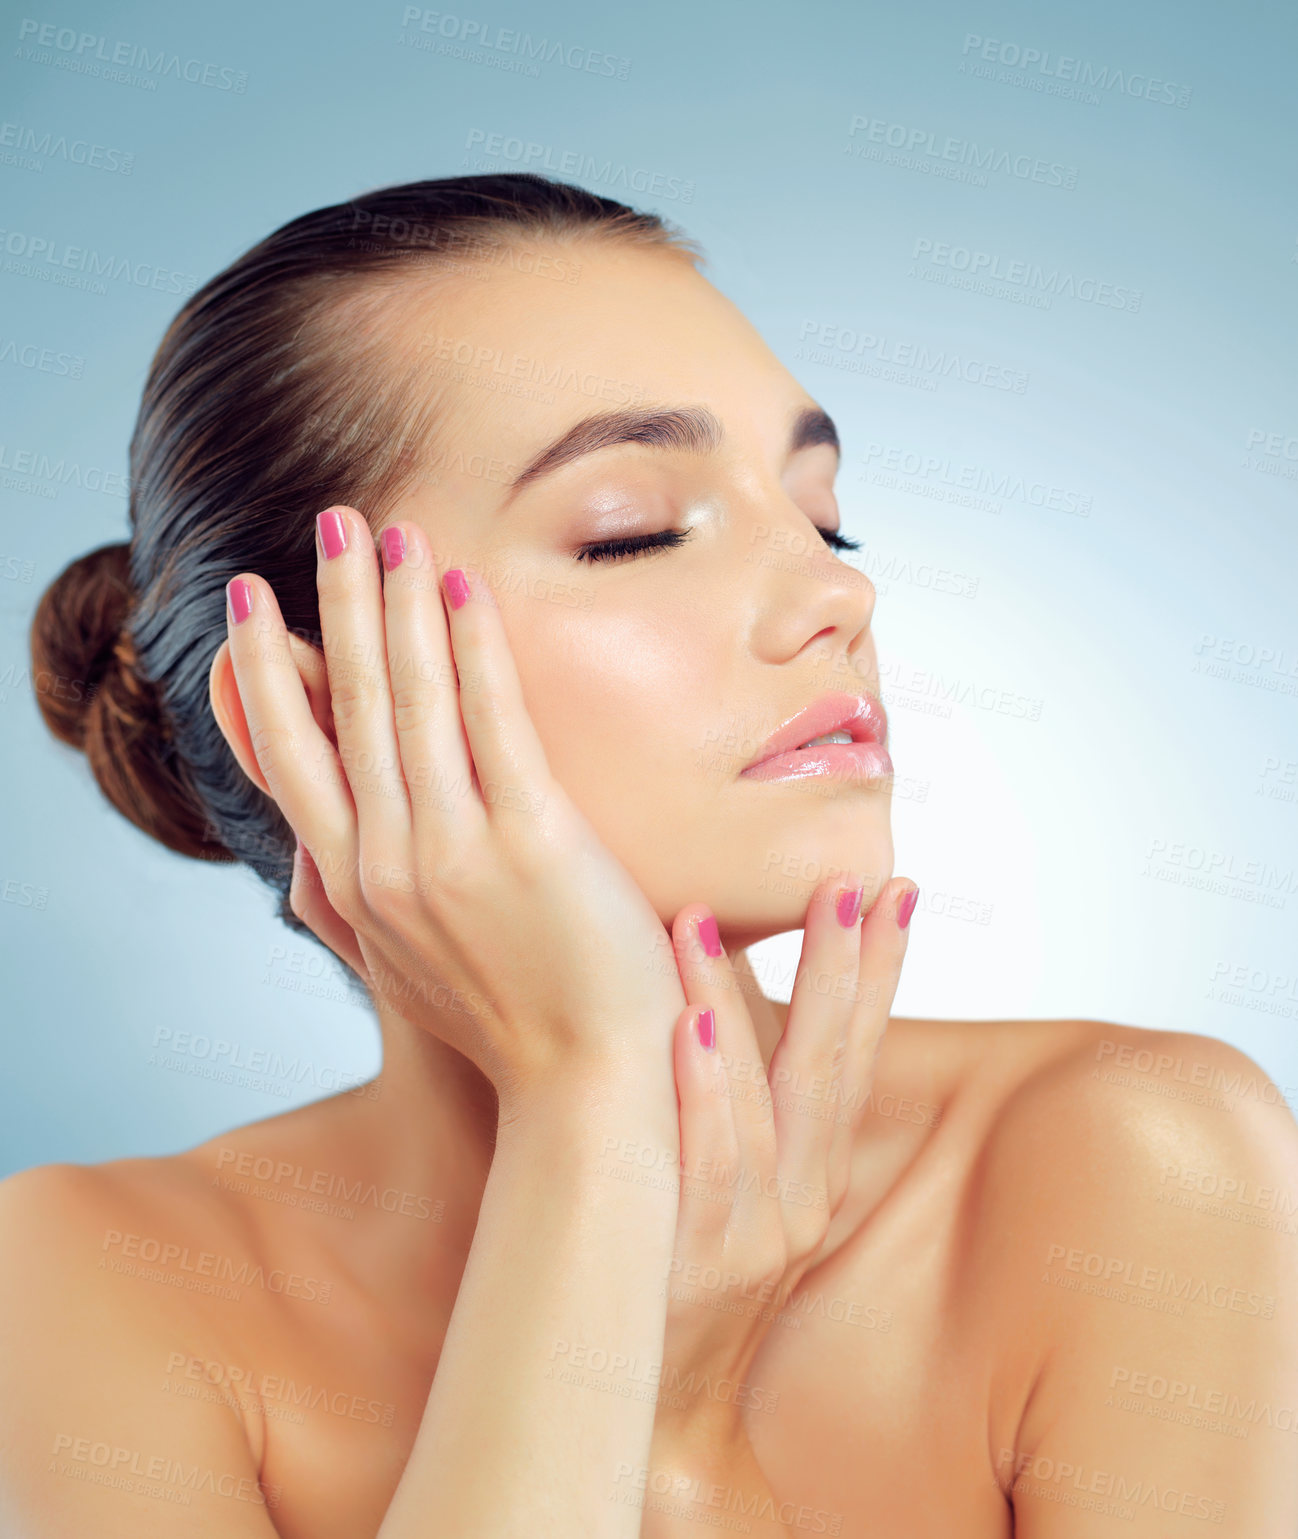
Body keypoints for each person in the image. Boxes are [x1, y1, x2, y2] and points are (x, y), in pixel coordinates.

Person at [6, 173, 1297, 1537]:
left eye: (821, 513)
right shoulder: (102, 1277)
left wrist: (678, 1453)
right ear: (312, 707)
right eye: (631, 529)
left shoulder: (1124, 1162)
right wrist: (588, 1122)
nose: (835, 593)